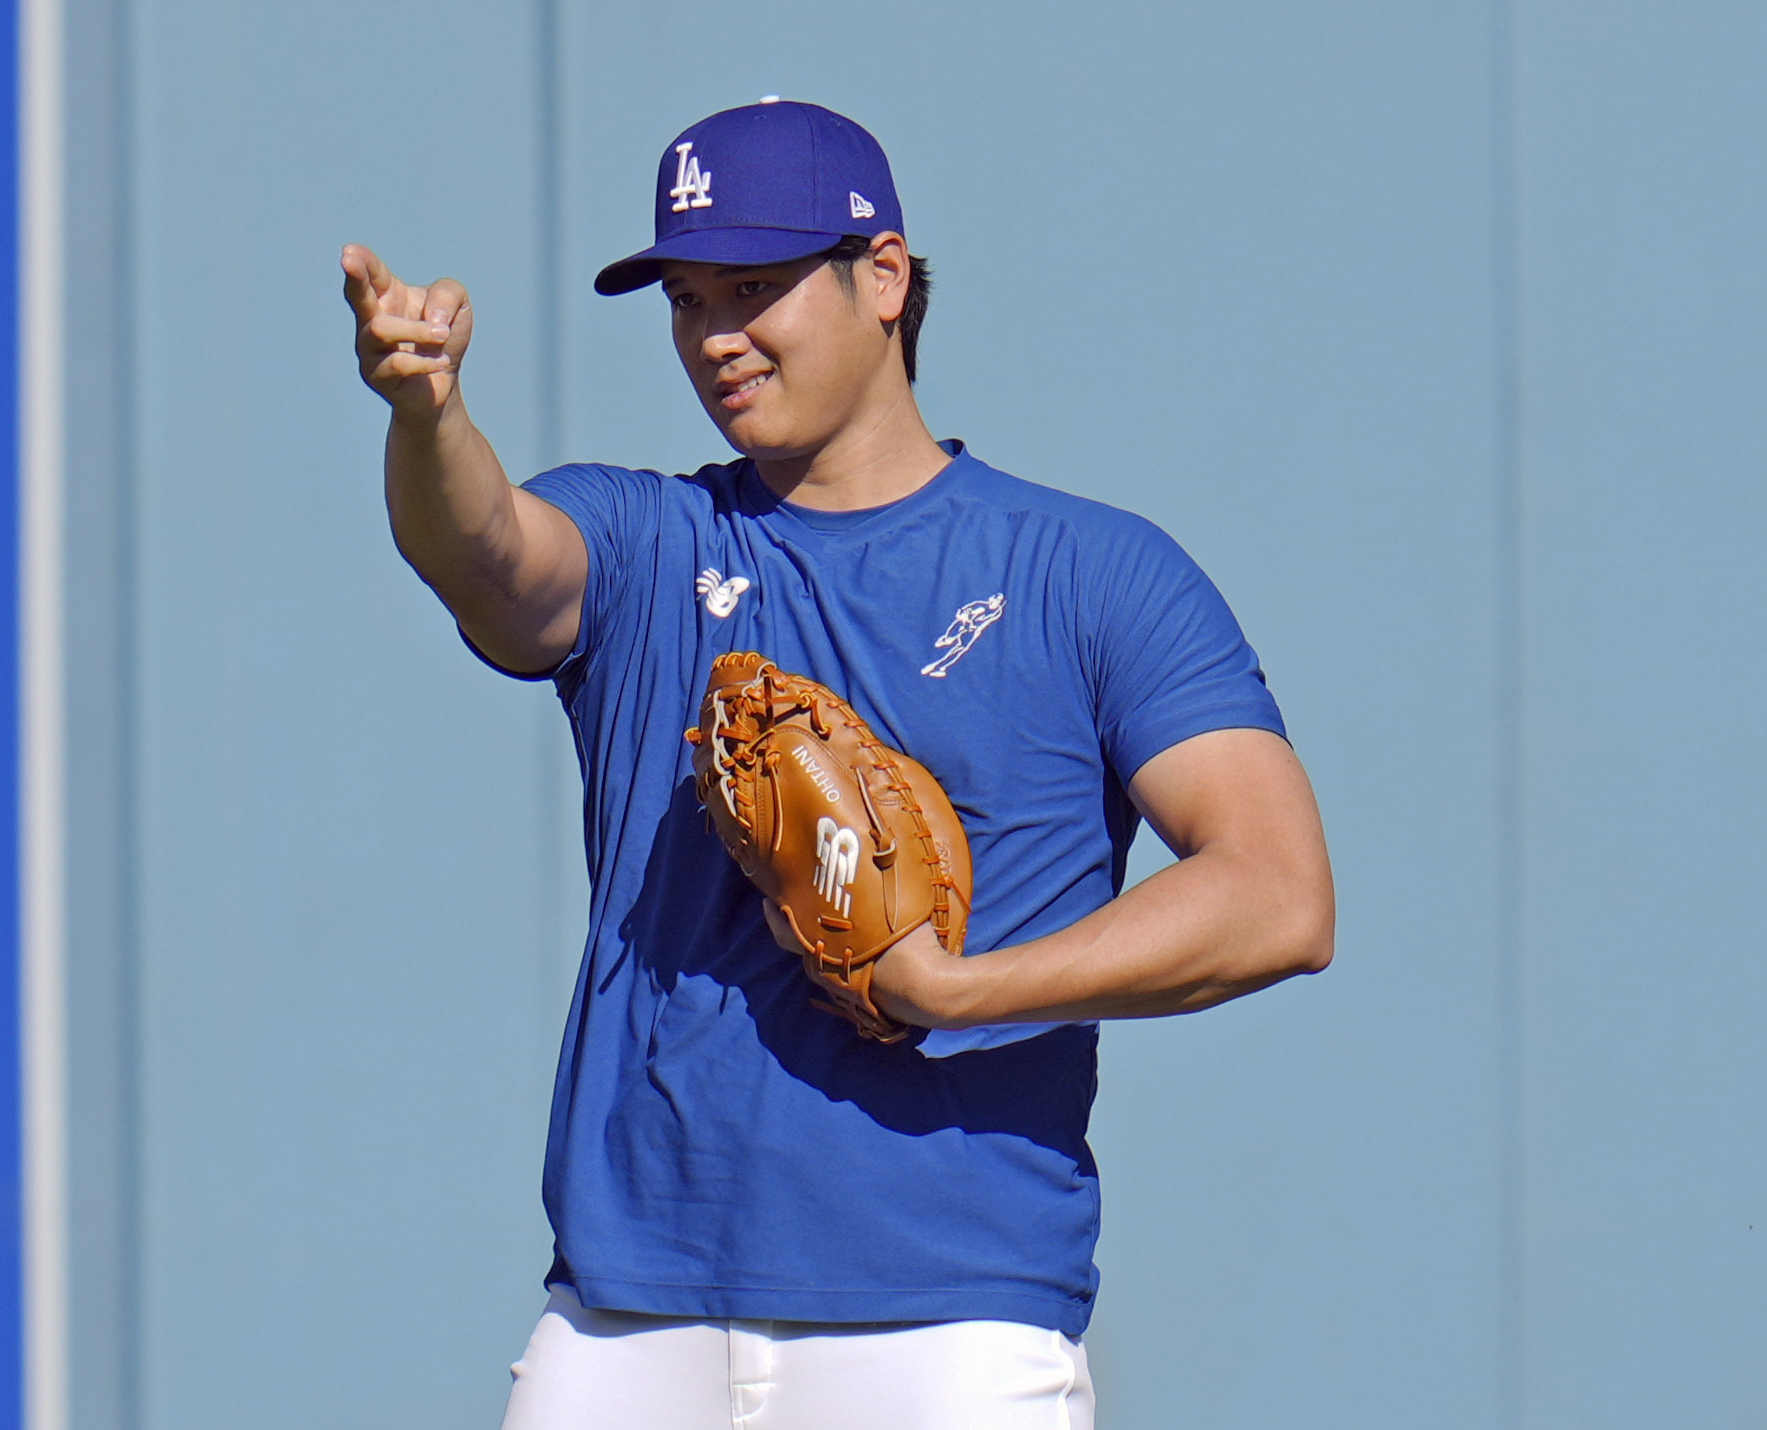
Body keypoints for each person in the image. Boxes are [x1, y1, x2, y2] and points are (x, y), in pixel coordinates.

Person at [342, 98, 1334, 1430]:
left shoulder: (1085, 573)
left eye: (754, 286)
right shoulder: (646, 541)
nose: (714, 335)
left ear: (881, 277)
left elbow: (1276, 892)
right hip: (628, 1316)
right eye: (687, 297)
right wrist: (425, 417)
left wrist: (955, 988)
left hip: (946, 1320)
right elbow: (488, 555)